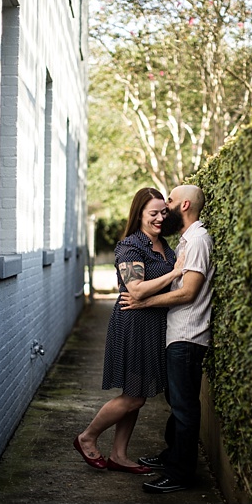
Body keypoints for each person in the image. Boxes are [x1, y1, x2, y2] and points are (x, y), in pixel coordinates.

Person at [74, 187, 183, 474]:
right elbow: (135, 288)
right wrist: (174, 273)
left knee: (137, 393)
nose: (160, 218)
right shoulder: (131, 246)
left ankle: (119, 455)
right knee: (134, 396)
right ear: (139, 214)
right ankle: (87, 437)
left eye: (163, 212)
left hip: (154, 323)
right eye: (153, 213)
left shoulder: (164, 245)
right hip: (134, 324)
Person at [119, 184, 215, 494]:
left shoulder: (197, 240)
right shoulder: (182, 241)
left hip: (188, 335)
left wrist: (143, 302)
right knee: (177, 404)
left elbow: (188, 292)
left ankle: (180, 473)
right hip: (176, 334)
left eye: (169, 203)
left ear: (184, 205)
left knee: (184, 408)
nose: (165, 210)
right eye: (157, 209)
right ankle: (172, 456)